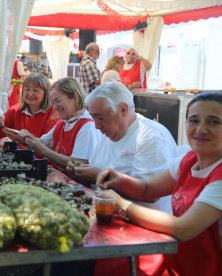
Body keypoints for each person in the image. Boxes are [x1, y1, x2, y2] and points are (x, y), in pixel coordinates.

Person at [95, 91, 222, 276]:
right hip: (178, 257)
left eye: (214, 122)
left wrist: (122, 205)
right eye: (194, 120)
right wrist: (121, 179)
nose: (201, 129)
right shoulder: (189, 160)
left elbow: (183, 229)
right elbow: (148, 189)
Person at [67, 81, 177, 211]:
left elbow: (151, 194)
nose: (96, 126)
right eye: (93, 118)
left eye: (101, 118)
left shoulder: (151, 136)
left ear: (123, 110)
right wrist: (80, 171)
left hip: (141, 224)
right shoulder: (110, 133)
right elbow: (95, 168)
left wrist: (99, 177)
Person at [17, 77, 102, 172]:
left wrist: (44, 151)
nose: (55, 107)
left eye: (58, 101)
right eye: (53, 102)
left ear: (76, 97)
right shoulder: (63, 122)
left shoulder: (87, 127)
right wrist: (24, 137)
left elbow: (79, 165)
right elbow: (42, 142)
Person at [0, 73, 59, 147]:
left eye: (35, 90)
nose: (30, 94)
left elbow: (48, 145)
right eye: (27, 89)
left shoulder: (54, 113)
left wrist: (22, 140)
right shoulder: (15, 111)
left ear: (46, 93)